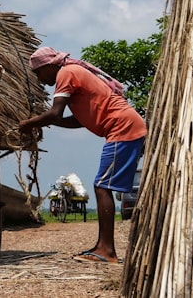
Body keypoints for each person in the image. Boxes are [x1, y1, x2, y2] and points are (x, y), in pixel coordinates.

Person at [18, 46, 146, 264]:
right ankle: (102, 247)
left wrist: (29, 124)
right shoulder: (73, 72)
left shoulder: (65, 73)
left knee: (102, 187)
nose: (39, 79)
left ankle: (107, 251)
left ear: (49, 66)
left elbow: (56, 112)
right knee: (102, 185)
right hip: (126, 127)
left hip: (122, 128)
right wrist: (49, 122)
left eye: (38, 72)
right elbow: (78, 120)